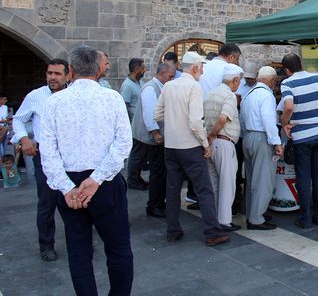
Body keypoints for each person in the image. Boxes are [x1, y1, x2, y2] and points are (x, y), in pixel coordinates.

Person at [39, 45, 134, 295]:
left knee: (79, 251)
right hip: (105, 183)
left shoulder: (55, 102)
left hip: (73, 181)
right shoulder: (111, 98)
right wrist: (95, 179)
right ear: (98, 69)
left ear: (70, 71)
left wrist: (68, 187)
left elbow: (48, 152)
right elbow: (123, 143)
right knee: (118, 248)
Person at [154, 51, 230, 246]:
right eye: (202, 67)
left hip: (171, 147)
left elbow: (158, 114)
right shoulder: (194, 87)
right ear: (196, 67)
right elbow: (196, 122)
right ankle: (212, 232)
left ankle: (173, 230)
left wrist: (173, 124)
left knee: (172, 190)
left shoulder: (169, 86)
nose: (203, 71)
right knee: (204, 189)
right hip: (190, 147)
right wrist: (205, 144)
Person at [10, 58, 70, 261]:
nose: (52, 77)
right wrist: (24, 138)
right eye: (49, 73)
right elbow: (18, 119)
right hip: (45, 158)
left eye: (57, 74)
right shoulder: (36, 96)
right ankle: (46, 245)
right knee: (47, 202)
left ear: (68, 75)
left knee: (75, 201)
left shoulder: (74, 96)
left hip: (71, 158)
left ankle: (79, 240)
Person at [280, 54, 318, 227]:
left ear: (287, 70)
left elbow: (288, 106)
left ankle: (305, 218)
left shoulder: (287, 83)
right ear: (301, 64)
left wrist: (285, 123)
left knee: (303, 178)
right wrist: (317, 114)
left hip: (302, 136)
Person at [129, 62, 176, 218]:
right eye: (170, 76)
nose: (171, 79)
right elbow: (150, 114)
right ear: (162, 73)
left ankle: (158, 202)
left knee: (160, 171)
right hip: (152, 138)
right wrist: (156, 134)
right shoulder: (150, 88)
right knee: (157, 171)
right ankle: (154, 205)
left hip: (156, 137)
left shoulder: (159, 87)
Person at [240, 66, 283, 230]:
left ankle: (254, 213)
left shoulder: (248, 94)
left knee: (251, 179)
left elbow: (242, 119)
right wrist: (276, 143)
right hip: (261, 137)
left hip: (249, 136)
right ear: (272, 80)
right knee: (264, 179)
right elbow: (269, 121)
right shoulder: (267, 95)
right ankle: (256, 218)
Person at [204, 63, 244, 232]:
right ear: (234, 80)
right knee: (227, 185)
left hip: (211, 144)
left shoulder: (211, 93)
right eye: (239, 81)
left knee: (214, 184)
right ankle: (224, 221)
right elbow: (223, 119)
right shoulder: (229, 96)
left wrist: (210, 138)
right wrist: (213, 134)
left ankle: (213, 218)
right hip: (223, 141)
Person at [232, 60, 260, 215]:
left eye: (252, 78)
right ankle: (236, 201)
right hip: (239, 135)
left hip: (250, 133)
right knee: (236, 171)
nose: (249, 80)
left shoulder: (258, 88)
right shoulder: (240, 87)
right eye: (247, 78)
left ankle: (251, 202)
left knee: (251, 171)